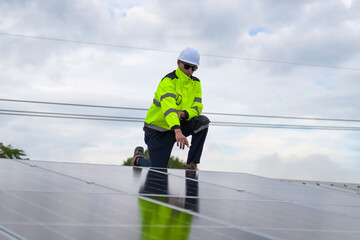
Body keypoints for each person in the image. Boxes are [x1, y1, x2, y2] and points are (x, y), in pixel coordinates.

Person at [131, 47, 209, 169]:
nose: (190, 71)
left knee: (202, 122)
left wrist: (184, 114)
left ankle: (191, 164)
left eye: (194, 68)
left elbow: (198, 108)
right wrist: (177, 131)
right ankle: (138, 159)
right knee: (158, 171)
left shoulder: (196, 83)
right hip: (157, 131)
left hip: (177, 126)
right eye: (187, 66)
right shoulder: (168, 81)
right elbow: (169, 108)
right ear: (178, 62)